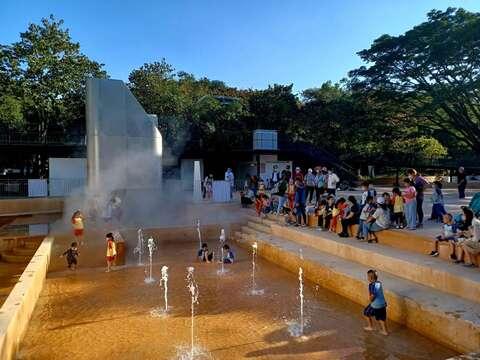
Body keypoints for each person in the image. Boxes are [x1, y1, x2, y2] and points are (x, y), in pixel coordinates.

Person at [363, 270, 388, 336]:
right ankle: (385, 331)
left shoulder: (371, 285)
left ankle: (370, 326)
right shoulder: (378, 283)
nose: (367, 278)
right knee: (381, 317)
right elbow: (377, 291)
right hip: (383, 304)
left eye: (368, 277)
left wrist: (370, 300)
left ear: (370, 278)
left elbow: (373, 295)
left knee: (366, 313)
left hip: (375, 305)